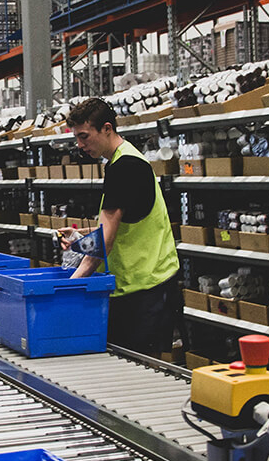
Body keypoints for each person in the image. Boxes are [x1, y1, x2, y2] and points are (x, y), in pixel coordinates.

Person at [59, 97, 182, 357]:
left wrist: (69, 287)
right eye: (77, 138)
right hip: (138, 287)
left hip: (145, 291)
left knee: (140, 376)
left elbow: (106, 240)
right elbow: (123, 228)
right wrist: (80, 241)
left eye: (84, 136)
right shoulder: (122, 162)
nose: (80, 145)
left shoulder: (125, 167)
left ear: (106, 128)